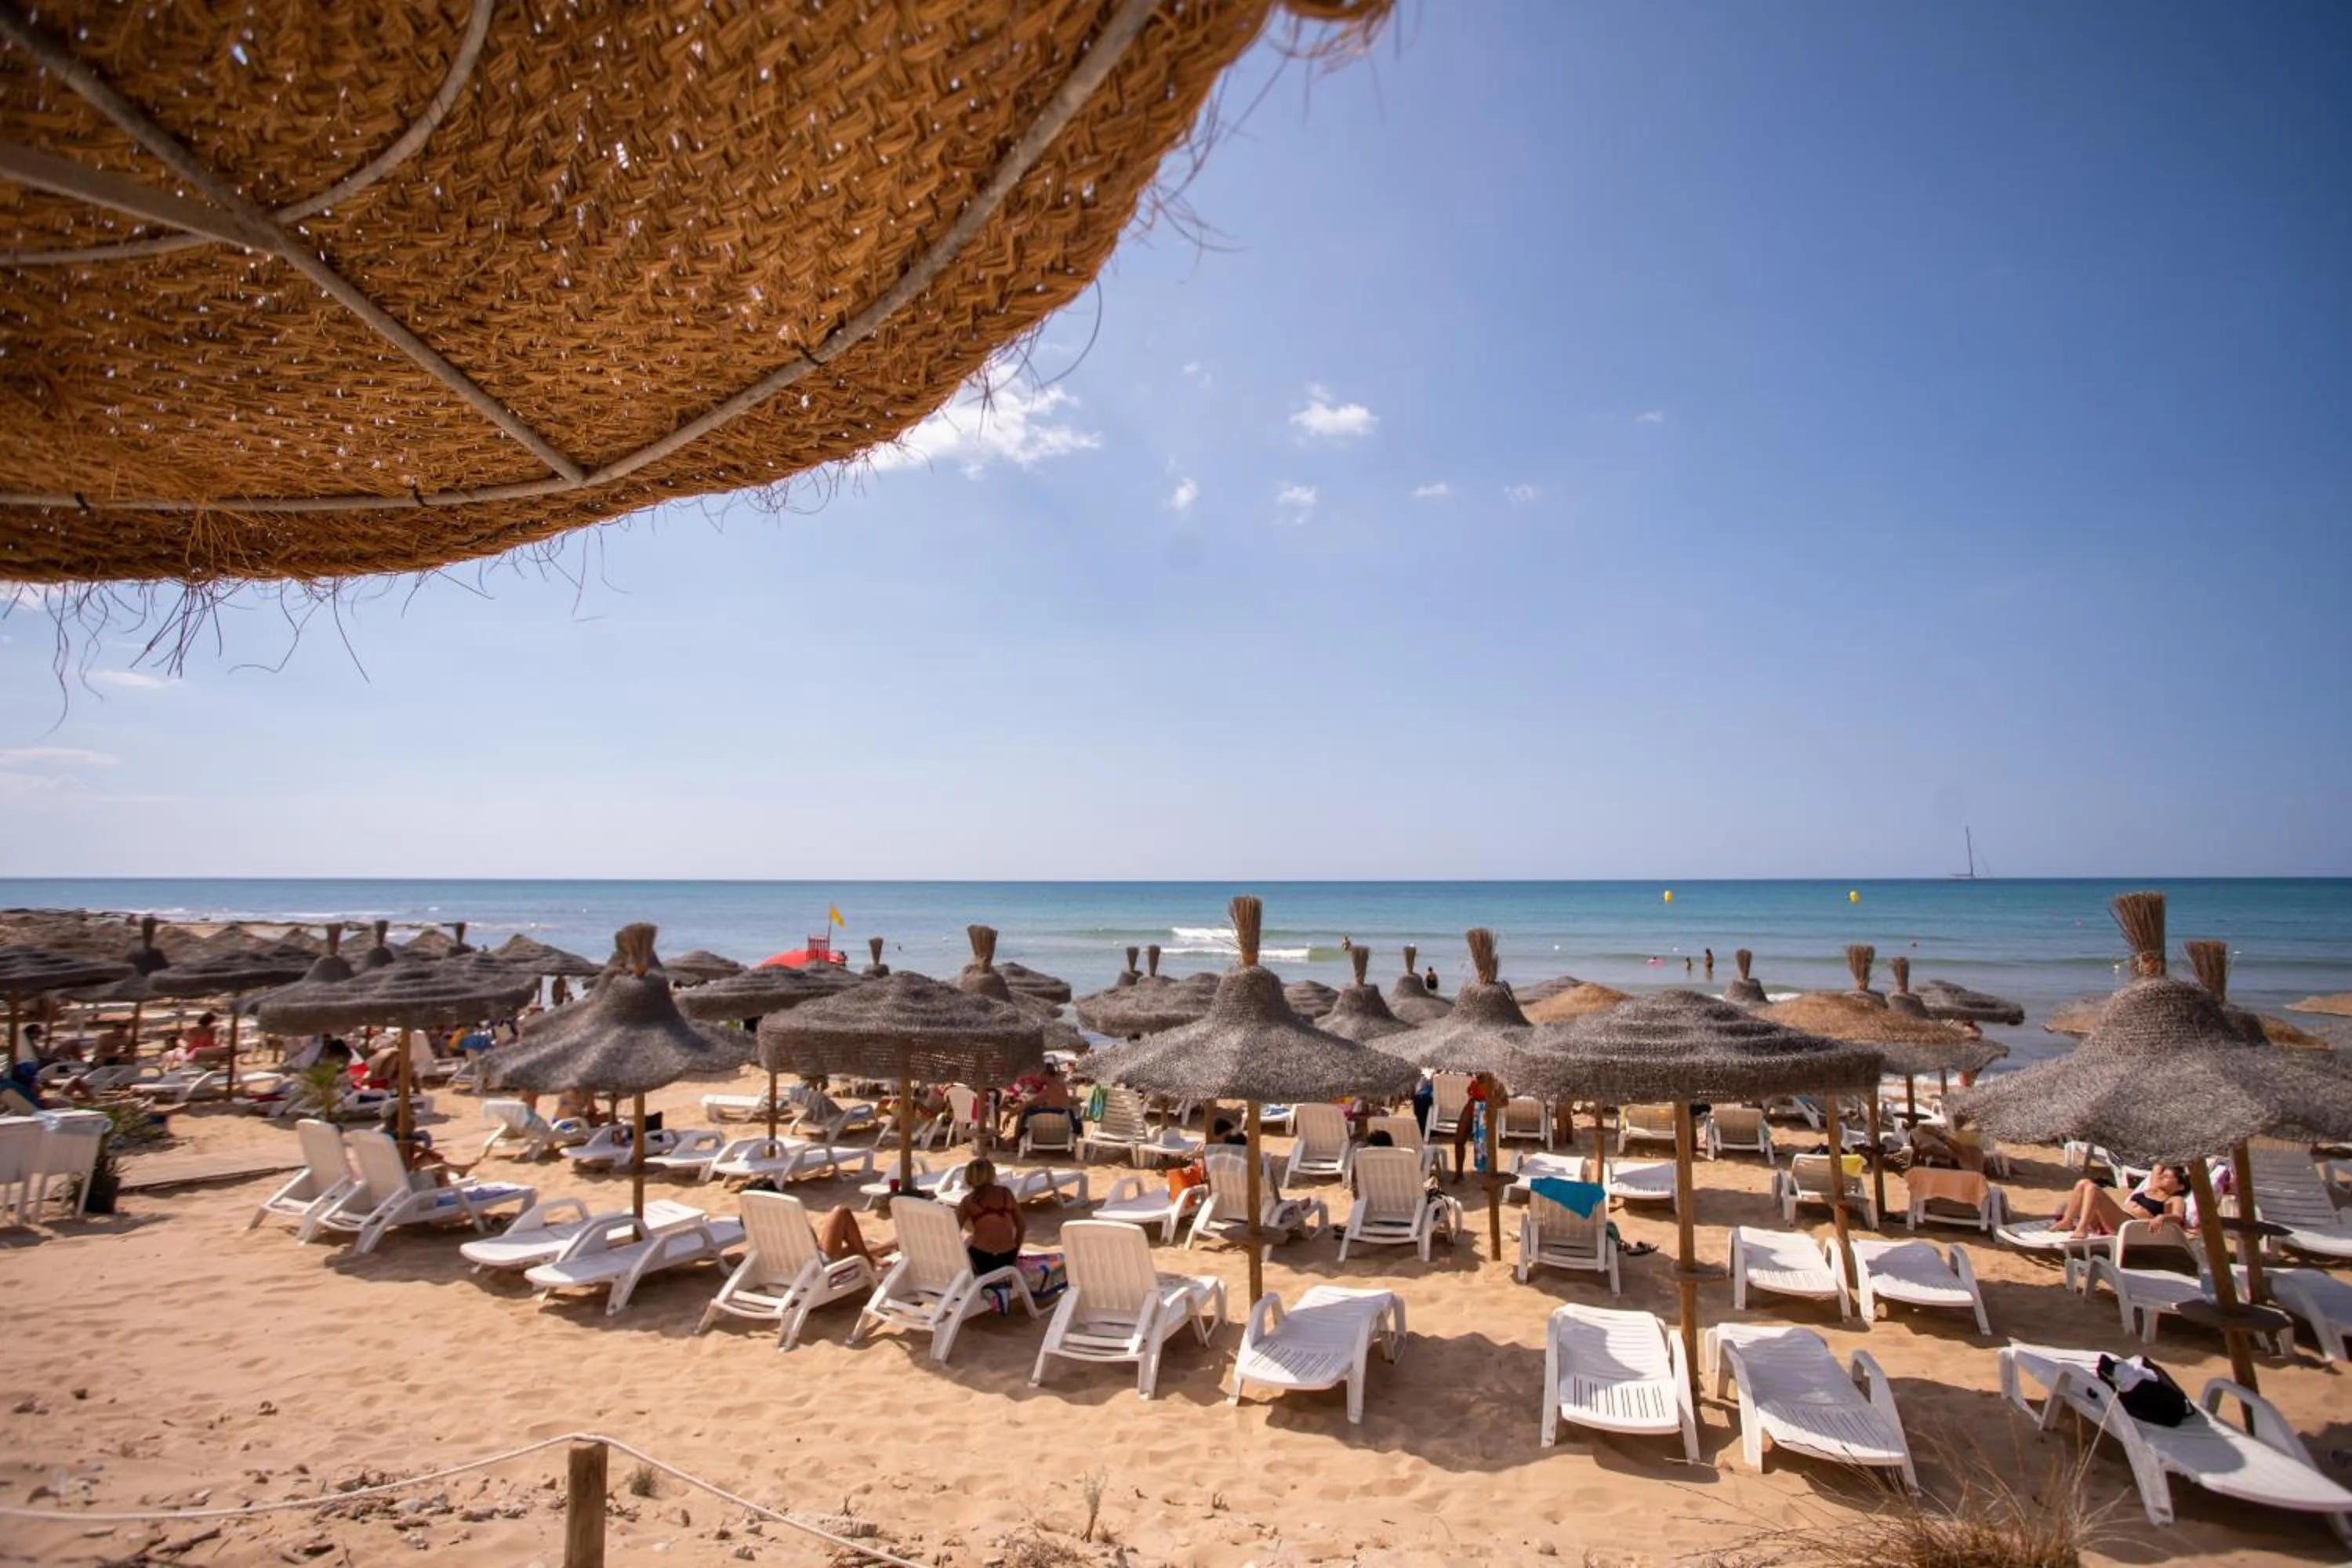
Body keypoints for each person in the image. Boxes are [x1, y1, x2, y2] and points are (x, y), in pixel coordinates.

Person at [2053, 1164, 2191, 1240]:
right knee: (2083, 1182)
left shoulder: (2174, 1199)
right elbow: (2157, 1167)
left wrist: (2162, 1217)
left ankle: (2082, 1228)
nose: (2162, 1176)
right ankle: (2067, 1221)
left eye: (2167, 1177)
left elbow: (2177, 1217)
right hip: (2113, 1218)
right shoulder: (2152, 1189)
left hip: (2127, 1226)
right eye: (2163, 1174)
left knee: (2092, 1188)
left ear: (2180, 1186)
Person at [954, 1158, 1025, 1275]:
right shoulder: (1006, 1194)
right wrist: (1015, 1251)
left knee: (968, 1239)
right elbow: (1022, 1226)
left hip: (981, 1260)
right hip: (1007, 1258)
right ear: (992, 1175)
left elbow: (954, 1232)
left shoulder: (968, 1202)